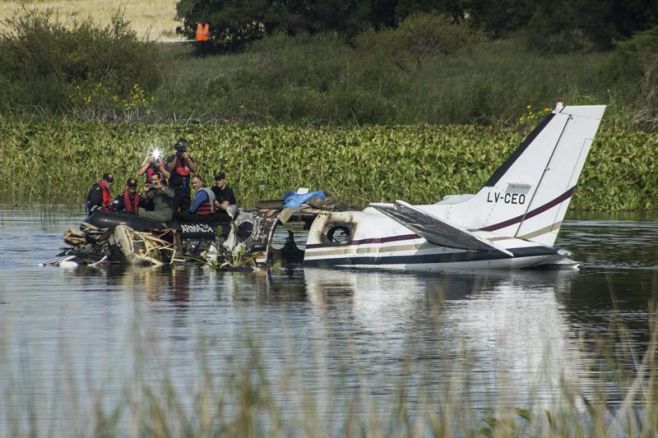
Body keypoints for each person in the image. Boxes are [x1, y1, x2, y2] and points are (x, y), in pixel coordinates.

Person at [165, 139, 197, 212]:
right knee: (173, 211)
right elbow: (169, 168)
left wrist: (188, 158)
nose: (181, 152)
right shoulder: (172, 158)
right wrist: (176, 157)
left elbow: (194, 169)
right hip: (175, 189)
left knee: (186, 211)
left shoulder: (188, 158)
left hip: (186, 190)